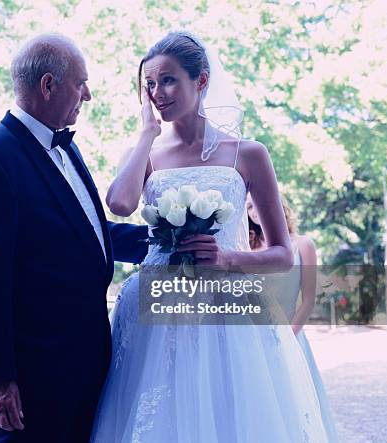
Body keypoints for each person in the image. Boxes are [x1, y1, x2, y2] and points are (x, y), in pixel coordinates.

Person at [91, 31, 332, 442]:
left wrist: (227, 259)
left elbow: (280, 252)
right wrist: (146, 134)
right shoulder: (145, 153)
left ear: (201, 80)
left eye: (168, 80)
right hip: (156, 309)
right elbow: (118, 203)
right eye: (149, 84)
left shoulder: (248, 153)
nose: (157, 93)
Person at [0, 34, 148, 442]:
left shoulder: (66, 149)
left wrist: (163, 242)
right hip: (32, 377)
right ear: (48, 85)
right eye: (81, 83)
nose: (88, 95)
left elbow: (82, 233)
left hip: (86, 364)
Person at [248, 193, 339, 442]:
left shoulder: (302, 244)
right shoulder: (247, 248)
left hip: (291, 335)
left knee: (295, 404)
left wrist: (287, 337)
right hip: (253, 340)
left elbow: (308, 300)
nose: (254, 210)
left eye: (256, 203)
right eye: (248, 207)